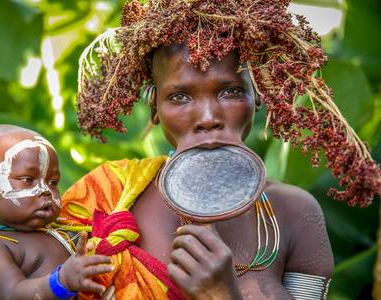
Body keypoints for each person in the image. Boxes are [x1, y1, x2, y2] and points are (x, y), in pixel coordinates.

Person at [58, 1, 381, 299]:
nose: (208, 117)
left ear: (259, 97)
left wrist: (222, 294)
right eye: (180, 96)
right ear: (154, 107)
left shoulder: (295, 214)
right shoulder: (109, 197)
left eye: (230, 91)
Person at [0, 124, 114, 299]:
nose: (45, 190)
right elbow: (12, 294)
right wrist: (61, 282)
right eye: (28, 179)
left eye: (53, 182)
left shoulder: (60, 228)